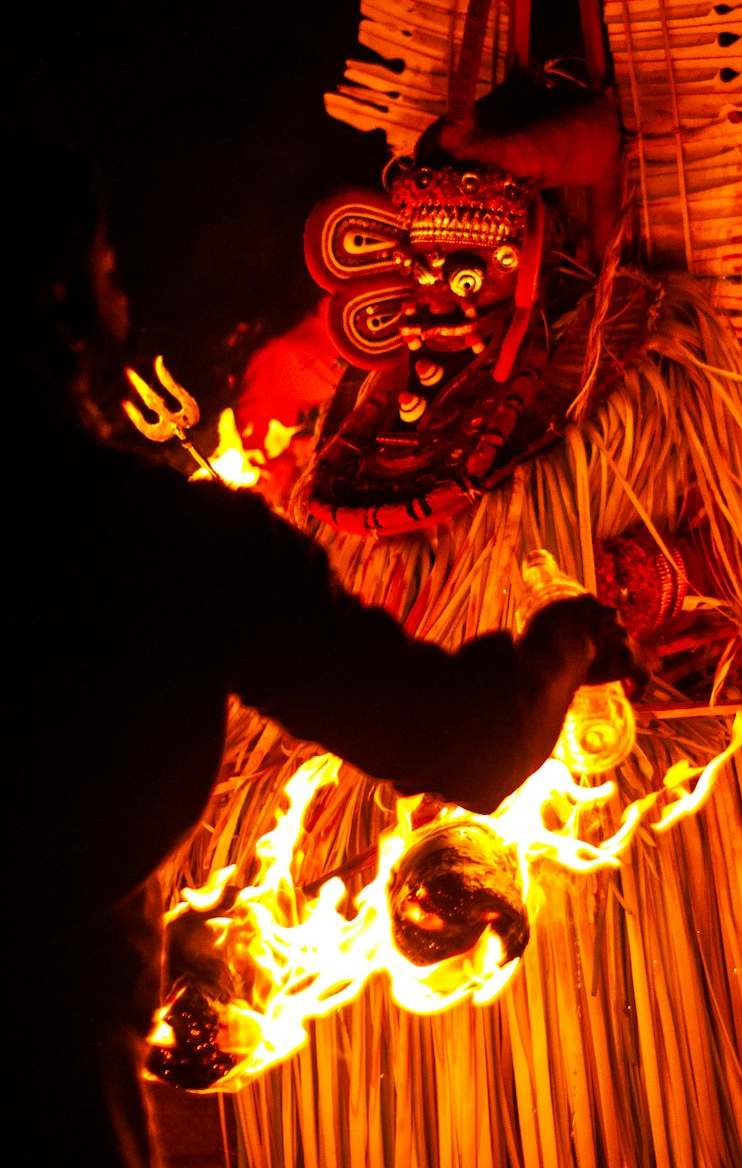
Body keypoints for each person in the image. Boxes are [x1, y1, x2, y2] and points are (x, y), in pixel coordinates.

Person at [14, 144, 638, 1167]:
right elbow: (457, 741)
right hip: (44, 1071)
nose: (122, 287)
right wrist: (564, 642)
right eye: (108, 268)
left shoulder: (168, 536)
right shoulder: (165, 541)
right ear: (59, 300)